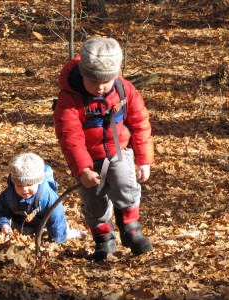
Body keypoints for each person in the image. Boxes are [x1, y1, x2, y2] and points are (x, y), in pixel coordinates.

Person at [53, 37, 155, 260]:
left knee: (125, 183)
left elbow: (140, 122)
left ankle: (131, 229)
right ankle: (104, 239)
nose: (100, 87)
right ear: (82, 74)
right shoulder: (69, 98)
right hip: (87, 159)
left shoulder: (124, 89)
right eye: (93, 81)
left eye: (105, 82)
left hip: (120, 150)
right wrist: (83, 169)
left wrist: (143, 160)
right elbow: (70, 137)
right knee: (94, 202)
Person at [0, 152, 81, 243]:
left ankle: (74, 233)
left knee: (61, 233)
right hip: (23, 224)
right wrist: (4, 225)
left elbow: (56, 220)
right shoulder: (9, 194)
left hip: (46, 224)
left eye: (29, 185)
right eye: (19, 185)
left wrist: (56, 241)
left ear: (38, 182)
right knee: (22, 235)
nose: (24, 189)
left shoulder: (48, 197)